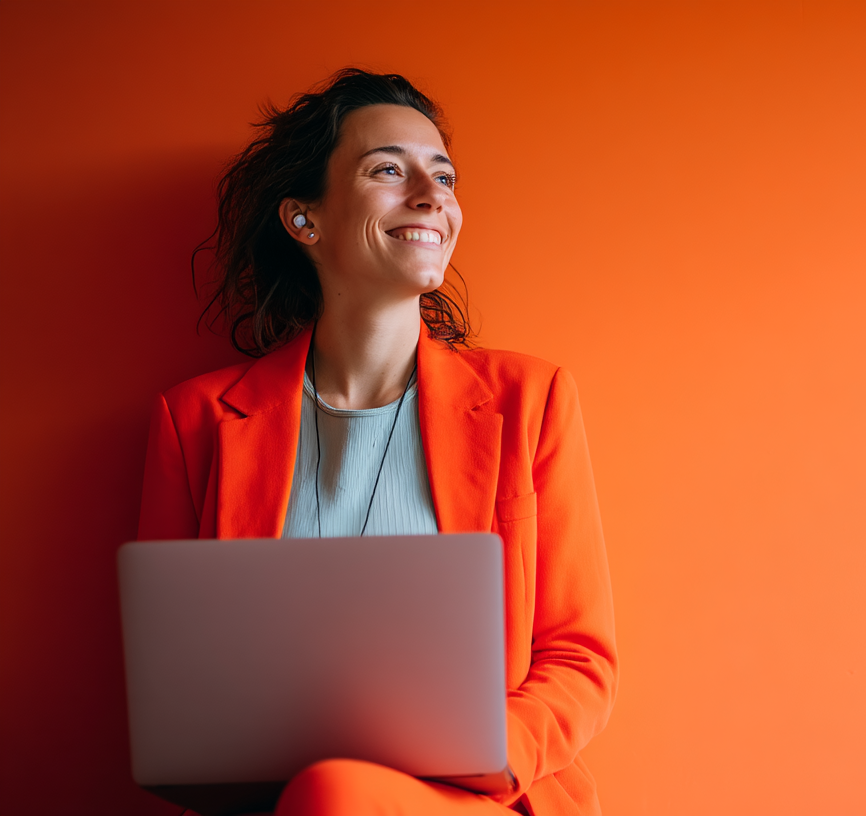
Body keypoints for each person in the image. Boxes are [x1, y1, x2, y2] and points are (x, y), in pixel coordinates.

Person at [137, 69, 617, 816]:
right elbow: (175, 686)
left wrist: (490, 751)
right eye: (388, 170)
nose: (432, 196)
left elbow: (579, 657)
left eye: (444, 176)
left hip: (480, 797)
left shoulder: (532, 399)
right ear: (305, 220)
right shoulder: (192, 421)